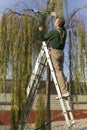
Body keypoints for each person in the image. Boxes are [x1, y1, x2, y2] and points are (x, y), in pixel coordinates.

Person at [38, 12, 70, 98]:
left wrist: (40, 29)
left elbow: (43, 37)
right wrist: (57, 16)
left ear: (58, 24)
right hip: (61, 54)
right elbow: (62, 24)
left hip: (55, 53)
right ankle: (63, 91)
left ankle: (64, 91)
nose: (54, 22)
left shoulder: (54, 32)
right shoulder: (64, 31)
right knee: (60, 72)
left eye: (56, 21)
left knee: (58, 72)